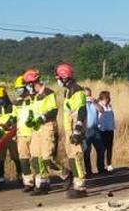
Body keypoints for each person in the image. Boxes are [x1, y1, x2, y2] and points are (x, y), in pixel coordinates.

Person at [54, 62, 88, 198]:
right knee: (72, 158)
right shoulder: (68, 91)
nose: (57, 80)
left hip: (75, 129)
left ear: (63, 77)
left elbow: (82, 110)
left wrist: (78, 130)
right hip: (69, 130)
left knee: (76, 157)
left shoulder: (76, 90)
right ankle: (76, 183)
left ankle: (80, 187)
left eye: (58, 78)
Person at [23, 69, 59, 195]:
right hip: (36, 129)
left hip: (47, 127)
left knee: (46, 158)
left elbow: (53, 111)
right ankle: (41, 184)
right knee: (35, 158)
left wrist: (41, 118)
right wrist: (30, 119)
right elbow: (32, 111)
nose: (26, 87)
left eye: (27, 84)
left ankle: (65, 174)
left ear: (33, 82)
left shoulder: (48, 93)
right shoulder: (33, 96)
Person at [0, 84, 23, 183]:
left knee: (16, 156)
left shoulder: (12, 107)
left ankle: (21, 176)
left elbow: (15, 117)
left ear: (4, 97)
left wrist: (9, 123)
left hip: (11, 135)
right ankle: (0, 179)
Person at [11, 75, 35, 192]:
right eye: (17, 89)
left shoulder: (34, 99)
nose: (18, 91)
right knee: (24, 159)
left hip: (34, 133)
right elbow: (14, 117)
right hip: (21, 134)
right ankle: (28, 183)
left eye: (20, 88)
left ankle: (43, 181)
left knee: (37, 159)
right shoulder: (16, 103)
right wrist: (9, 123)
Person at [81, 86, 105, 176]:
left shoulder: (94, 103)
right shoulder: (81, 105)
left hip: (95, 129)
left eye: (90, 95)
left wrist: (94, 102)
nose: (89, 97)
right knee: (86, 150)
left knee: (101, 149)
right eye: (87, 95)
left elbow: (102, 110)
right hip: (86, 130)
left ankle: (101, 168)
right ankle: (88, 171)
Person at [97, 90, 115, 171]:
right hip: (102, 129)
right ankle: (101, 166)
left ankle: (109, 164)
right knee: (102, 149)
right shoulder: (98, 106)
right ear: (102, 98)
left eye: (108, 97)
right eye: (106, 98)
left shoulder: (109, 106)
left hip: (110, 129)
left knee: (109, 148)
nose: (108, 99)